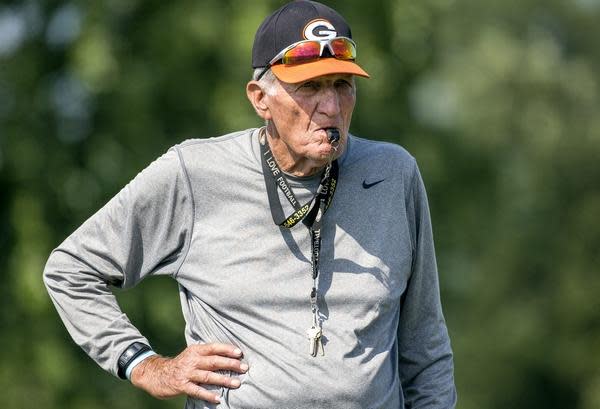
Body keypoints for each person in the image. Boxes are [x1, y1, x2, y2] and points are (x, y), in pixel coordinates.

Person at [43, 1, 457, 408]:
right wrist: (145, 365)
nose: (331, 107)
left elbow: (425, 344)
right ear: (260, 99)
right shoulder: (194, 173)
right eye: (310, 87)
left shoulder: (394, 174)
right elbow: (71, 270)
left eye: (342, 85)